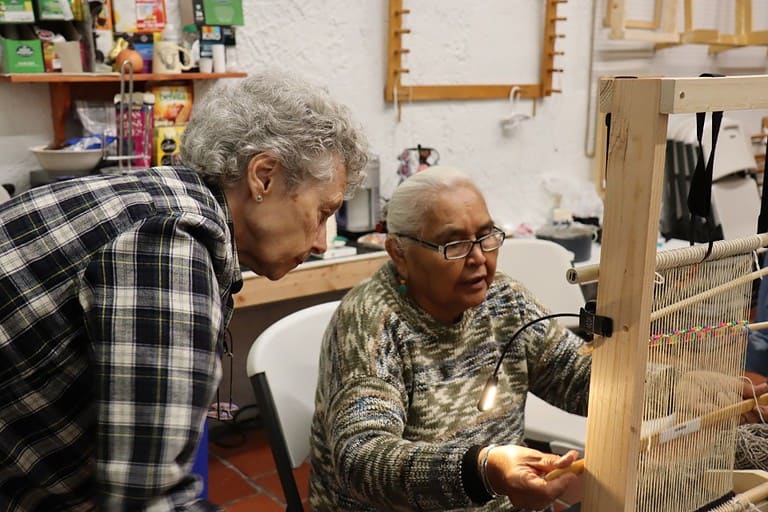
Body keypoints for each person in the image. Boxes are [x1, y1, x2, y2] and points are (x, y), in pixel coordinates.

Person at [0, 69, 368, 511]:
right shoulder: (173, 244)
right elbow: (146, 497)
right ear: (264, 176)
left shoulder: (161, 198)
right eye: (322, 211)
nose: (322, 242)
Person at [309, 166, 768, 512]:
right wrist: (484, 468)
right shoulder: (371, 325)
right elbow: (362, 459)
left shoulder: (503, 300)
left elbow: (573, 374)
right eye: (453, 244)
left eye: (487, 237)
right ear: (399, 253)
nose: (478, 259)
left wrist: (673, 387)